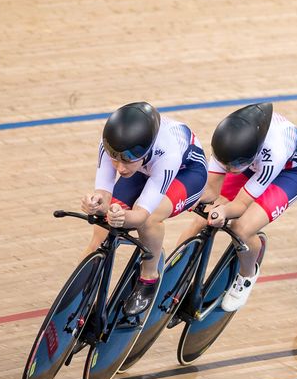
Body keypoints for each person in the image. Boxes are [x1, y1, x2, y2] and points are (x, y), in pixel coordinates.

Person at [176, 103, 297, 311]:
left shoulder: (273, 154)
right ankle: (173, 275)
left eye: (233, 167)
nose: (229, 170)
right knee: (200, 219)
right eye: (226, 165)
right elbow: (211, 191)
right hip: (248, 163)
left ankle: (247, 275)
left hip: (289, 173)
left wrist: (223, 211)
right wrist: (189, 198)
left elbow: (240, 204)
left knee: (242, 229)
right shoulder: (226, 145)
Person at [80, 102, 208, 315]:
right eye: (115, 159)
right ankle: (82, 288)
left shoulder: (168, 152)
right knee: (102, 229)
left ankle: (149, 277)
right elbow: (104, 193)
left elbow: (140, 215)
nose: (120, 168)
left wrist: (123, 217)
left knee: (150, 221)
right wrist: (95, 204)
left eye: (126, 161)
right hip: (144, 168)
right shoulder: (111, 144)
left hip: (186, 174)